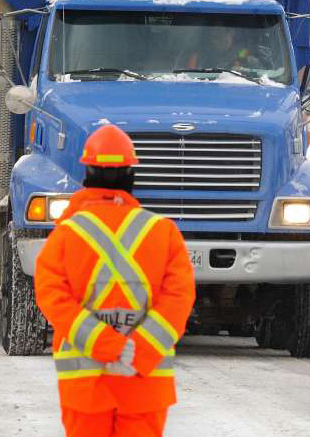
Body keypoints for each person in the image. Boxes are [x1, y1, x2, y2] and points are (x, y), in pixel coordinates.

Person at [34, 124, 196, 437]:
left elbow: (53, 298)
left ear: (87, 173)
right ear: (131, 175)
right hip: (143, 383)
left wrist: (106, 345)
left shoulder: (66, 235)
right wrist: (139, 351)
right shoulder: (163, 233)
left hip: (86, 385)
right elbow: (179, 299)